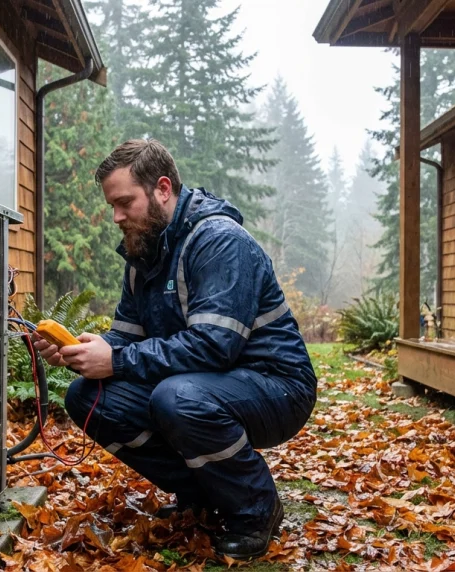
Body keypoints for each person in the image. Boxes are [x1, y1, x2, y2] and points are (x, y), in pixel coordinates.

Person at [32, 139, 317, 559]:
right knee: (88, 398)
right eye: (112, 205)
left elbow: (214, 347)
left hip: (277, 386)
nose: (116, 216)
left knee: (177, 398)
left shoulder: (219, 241)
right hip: (202, 385)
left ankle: (256, 508)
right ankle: (202, 494)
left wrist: (116, 359)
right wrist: (84, 352)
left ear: (162, 188)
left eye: (125, 202)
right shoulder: (142, 256)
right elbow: (125, 340)